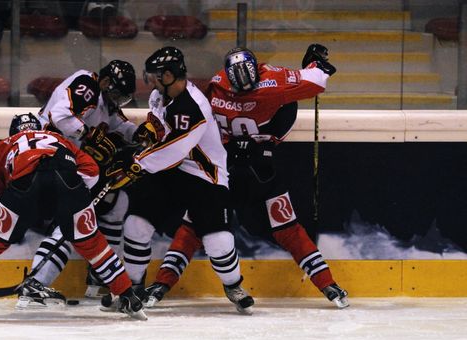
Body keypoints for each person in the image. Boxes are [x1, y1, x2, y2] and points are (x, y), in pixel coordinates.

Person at [143, 45, 350, 309]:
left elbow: (315, 80)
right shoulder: (225, 85)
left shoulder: (247, 82)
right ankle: (162, 283)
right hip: (230, 168)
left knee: (284, 227)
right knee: (198, 225)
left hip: (253, 167)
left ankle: (327, 283)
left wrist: (314, 66)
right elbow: (317, 79)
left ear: (258, 72)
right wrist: (315, 65)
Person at [0, 113, 147, 320]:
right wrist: (72, 200)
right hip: (68, 181)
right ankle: (129, 296)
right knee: (93, 245)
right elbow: (91, 171)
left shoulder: (7, 143)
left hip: (24, 183)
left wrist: (5, 220)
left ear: (13, 132)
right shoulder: (58, 138)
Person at [102, 46, 255, 315]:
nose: (151, 81)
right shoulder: (160, 96)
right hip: (169, 171)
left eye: (155, 76)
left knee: (219, 242)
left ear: (170, 75)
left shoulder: (193, 106)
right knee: (136, 225)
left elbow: (175, 149)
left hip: (204, 175)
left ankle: (233, 285)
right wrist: (143, 139)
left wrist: (137, 164)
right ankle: (132, 289)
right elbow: (160, 129)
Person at [27, 59, 156, 301]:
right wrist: (88, 134)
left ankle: (99, 278)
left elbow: (120, 125)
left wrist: (140, 134)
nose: (117, 101)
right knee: (71, 221)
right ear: (106, 82)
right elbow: (60, 115)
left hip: (67, 163)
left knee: (115, 206)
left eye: (122, 98)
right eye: (116, 94)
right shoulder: (88, 85)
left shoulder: (104, 101)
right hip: (48, 159)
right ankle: (35, 283)